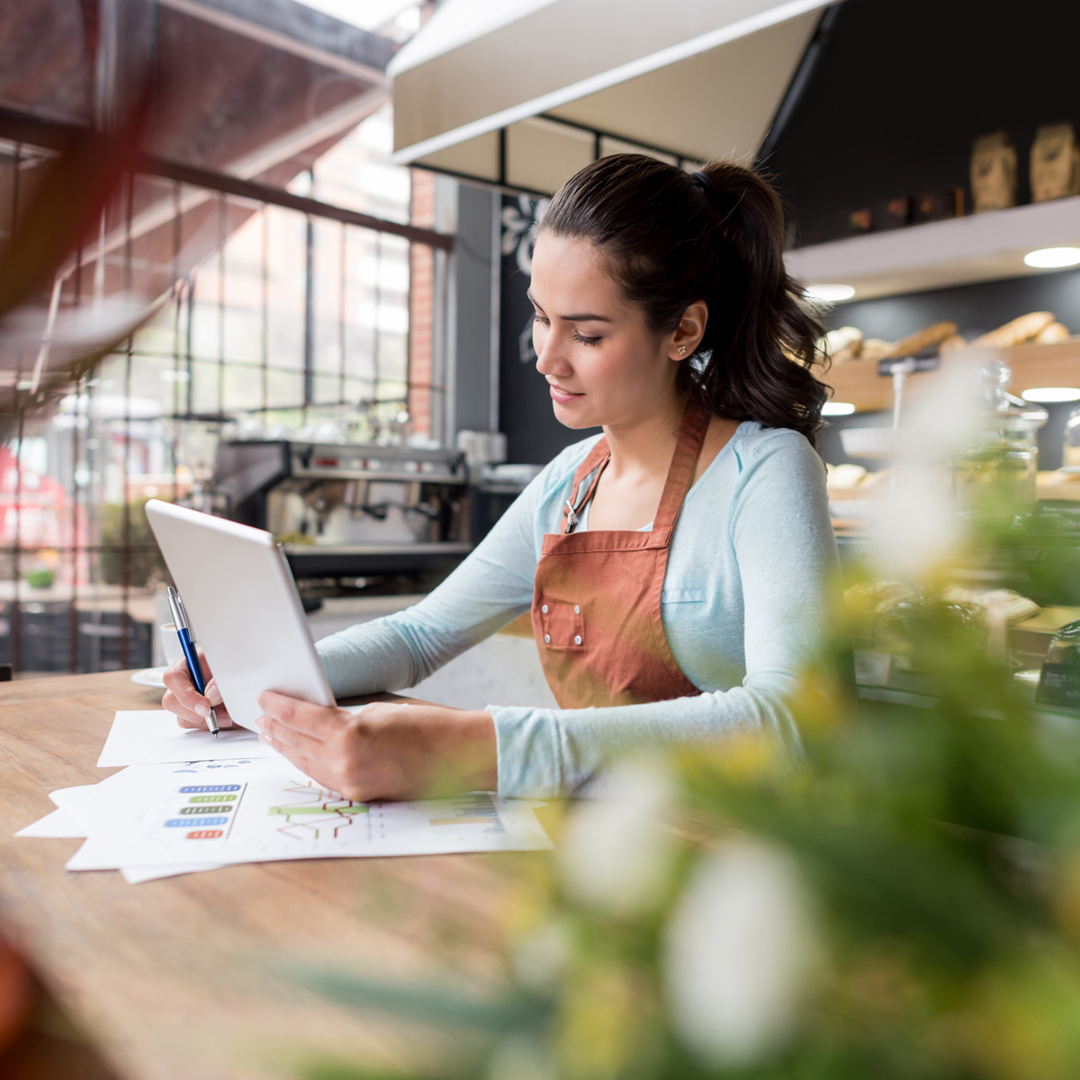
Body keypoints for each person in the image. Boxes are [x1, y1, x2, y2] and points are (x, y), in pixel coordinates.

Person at [162, 154, 838, 801]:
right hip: (609, 851)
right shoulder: (568, 485)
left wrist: (472, 746)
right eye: (541, 316)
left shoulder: (766, 471)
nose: (546, 359)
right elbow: (419, 635)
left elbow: (791, 721)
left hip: (736, 858)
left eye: (588, 334)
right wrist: (255, 680)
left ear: (683, 331)